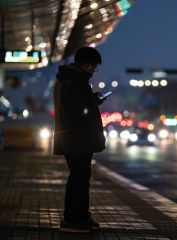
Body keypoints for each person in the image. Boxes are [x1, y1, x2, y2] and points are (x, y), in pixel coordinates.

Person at [53, 47, 107, 233]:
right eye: (93, 67)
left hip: (72, 138)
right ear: (86, 64)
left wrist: (92, 100)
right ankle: (72, 220)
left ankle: (82, 217)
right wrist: (94, 133)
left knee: (81, 179)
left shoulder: (67, 79)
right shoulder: (77, 81)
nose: (93, 71)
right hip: (78, 139)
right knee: (78, 180)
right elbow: (82, 112)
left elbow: (79, 106)